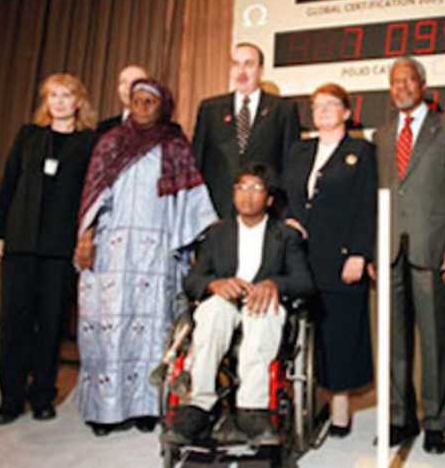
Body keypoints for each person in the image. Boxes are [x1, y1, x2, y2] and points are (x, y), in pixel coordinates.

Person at [74, 78, 217, 436]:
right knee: (108, 329)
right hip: (114, 252)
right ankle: (103, 411)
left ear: (162, 105)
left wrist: (196, 245)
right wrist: (87, 236)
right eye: (137, 100)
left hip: (157, 252)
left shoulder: (175, 145)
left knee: (153, 329)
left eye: (149, 100)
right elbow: (93, 196)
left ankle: (145, 407)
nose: (142, 106)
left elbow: (192, 203)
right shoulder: (111, 143)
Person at [172, 163, 314, 443]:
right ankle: (198, 404)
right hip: (225, 302)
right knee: (212, 314)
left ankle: (253, 408)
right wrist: (213, 284)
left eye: (256, 188)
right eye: (241, 188)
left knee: (263, 313)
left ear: (269, 199)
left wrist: (274, 284)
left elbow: (304, 282)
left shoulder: (285, 235)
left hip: (260, 303)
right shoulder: (217, 234)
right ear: (233, 194)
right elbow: (192, 280)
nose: (247, 195)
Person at [373, 56, 445, 454]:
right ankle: (401, 417)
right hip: (390, 251)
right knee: (394, 341)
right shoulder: (380, 135)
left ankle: (435, 422)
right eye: (395, 82)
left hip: (433, 249)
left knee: (434, 340)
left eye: (408, 80)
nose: (401, 88)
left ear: (423, 83)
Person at [0, 73, 97, 425]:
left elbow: (89, 198)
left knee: (50, 324)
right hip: (19, 243)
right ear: (46, 102)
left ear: (78, 101)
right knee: (15, 324)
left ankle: (43, 396)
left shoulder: (88, 143)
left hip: (58, 249)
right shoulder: (28, 136)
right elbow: (7, 187)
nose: (60, 102)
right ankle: (10, 399)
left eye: (66, 96)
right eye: (53, 96)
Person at [283, 83, 377, 437]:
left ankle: (340, 411)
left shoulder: (361, 151)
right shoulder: (299, 150)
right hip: (301, 256)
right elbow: (289, 197)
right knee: (305, 331)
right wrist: (290, 219)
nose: (321, 110)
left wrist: (359, 253)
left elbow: (366, 205)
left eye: (330, 104)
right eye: (316, 105)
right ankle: (309, 403)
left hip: (341, 257)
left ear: (347, 112)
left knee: (340, 332)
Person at [192, 42, 300, 217]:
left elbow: (291, 167)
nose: (241, 71)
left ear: (261, 70)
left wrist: (287, 214)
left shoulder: (283, 110)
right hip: (216, 213)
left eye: (248, 64)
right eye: (235, 64)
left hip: (266, 213)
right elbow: (197, 163)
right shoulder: (209, 109)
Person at [96, 64, 148, 134]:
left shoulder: (162, 129)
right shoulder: (103, 128)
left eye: (135, 82)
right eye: (123, 82)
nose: (128, 87)